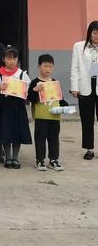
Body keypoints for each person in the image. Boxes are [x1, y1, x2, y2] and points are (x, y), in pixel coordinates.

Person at [28, 54, 67, 171]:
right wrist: (35, 90)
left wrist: (65, 105)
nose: (48, 69)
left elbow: (60, 98)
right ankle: (40, 160)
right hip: (41, 116)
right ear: (39, 66)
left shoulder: (55, 82)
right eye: (45, 66)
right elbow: (31, 98)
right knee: (40, 138)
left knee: (54, 138)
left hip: (55, 116)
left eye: (50, 67)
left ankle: (54, 160)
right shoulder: (35, 82)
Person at [0, 46, 32, 169]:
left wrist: (25, 93)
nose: (11, 61)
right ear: (3, 59)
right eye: (9, 58)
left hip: (18, 107)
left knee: (17, 132)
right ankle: (8, 157)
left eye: (14, 58)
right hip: (4, 107)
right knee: (6, 132)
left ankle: (15, 158)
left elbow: (28, 90)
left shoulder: (22, 74)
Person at [71, 20, 98, 160]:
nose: (96, 35)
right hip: (85, 86)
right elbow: (75, 67)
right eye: (94, 32)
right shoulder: (79, 46)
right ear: (90, 33)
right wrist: (74, 87)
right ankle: (89, 149)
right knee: (87, 119)